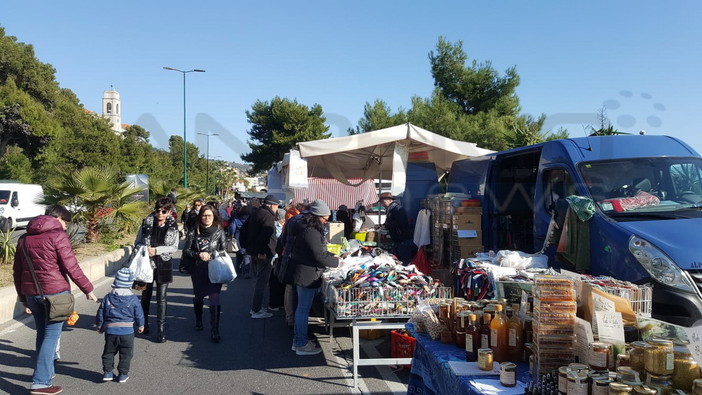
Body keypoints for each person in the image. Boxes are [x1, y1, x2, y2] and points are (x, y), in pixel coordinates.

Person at [13, 204, 98, 395]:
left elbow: (17, 271)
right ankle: (40, 382)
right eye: (65, 222)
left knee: (42, 334)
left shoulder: (24, 238)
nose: (66, 226)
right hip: (55, 294)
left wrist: (22, 297)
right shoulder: (58, 236)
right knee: (51, 336)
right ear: (58, 218)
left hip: (32, 294)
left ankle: (47, 373)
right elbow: (71, 266)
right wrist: (87, 289)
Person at [291, 200, 339, 355]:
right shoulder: (310, 231)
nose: (326, 221)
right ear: (317, 216)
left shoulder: (306, 228)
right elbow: (318, 255)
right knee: (303, 309)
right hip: (307, 275)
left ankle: (299, 340)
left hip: (304, 272)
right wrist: (337, 261)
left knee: (301, 309)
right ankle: (300, 343)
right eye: (324, 218)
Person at [135, 198, 179, 343]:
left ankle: (161, 328)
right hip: (146, 264)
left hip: (164, 263)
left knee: (162, 297)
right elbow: (137, 242)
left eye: (164, 211)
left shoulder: (173, 226)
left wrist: (157, 250)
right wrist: (145, 249)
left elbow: (174, 247)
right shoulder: (146, 223)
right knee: (146, 295)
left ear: (169, 212)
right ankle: (144, 323)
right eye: (157, 210)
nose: (160, 213)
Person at [182, 204, 228, 342]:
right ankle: (198, 320)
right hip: (198, 269)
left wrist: (212, 254)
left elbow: (224, 250)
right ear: (200, 216)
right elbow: (186, 251)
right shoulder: (193, 231)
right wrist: (198, 255)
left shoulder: (219, 231)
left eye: (209, 216)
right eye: (204, 215)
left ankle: (215, 329)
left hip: (215, 268)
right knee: (199, 296)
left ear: (214, 217)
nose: (206, 218)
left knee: (214, 297)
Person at [96, 267, 145, 383]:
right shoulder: (133, 299)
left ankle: (108, 372)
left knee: (108, 352)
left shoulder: (108, 297)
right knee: (126, 354)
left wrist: (99, 326)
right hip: (127, 332)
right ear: (130, 284)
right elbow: (139, 313)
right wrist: (141, 325)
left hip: (111, 331)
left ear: (116, 281)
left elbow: (100, 313)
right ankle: (123, 374)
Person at [244, 194, 279, 319]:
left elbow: (244, 230)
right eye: (276, 206)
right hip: (263, 254)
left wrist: (248, 247)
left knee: (258, 280)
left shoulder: (256, 213)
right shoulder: (267, 216)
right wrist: (262, 252)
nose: (277, 209)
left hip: (254, 251)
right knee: (261, 282)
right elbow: (265, 236)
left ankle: (257, 307)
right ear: (271, 205)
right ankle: (256, 309)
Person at [377, 192, 417, 265]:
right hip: (397, 240)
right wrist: (382, 225)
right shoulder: (390, 210)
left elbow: (399, 223)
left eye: (383, 202)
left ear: (389, 200)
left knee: (404, 261)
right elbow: (389, 222)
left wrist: (386, 226)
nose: (382, 204)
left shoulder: (398, 209)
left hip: (403, 239)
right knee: (397, 260)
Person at [228, 205, 251, 277]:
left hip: (238, 237)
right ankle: (247, 272)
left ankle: (239, 271)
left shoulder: (236, 219)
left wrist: (231, 234)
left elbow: (232, 228)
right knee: (247, 256)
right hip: (248, 237)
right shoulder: (250, 219)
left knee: (239, 256)